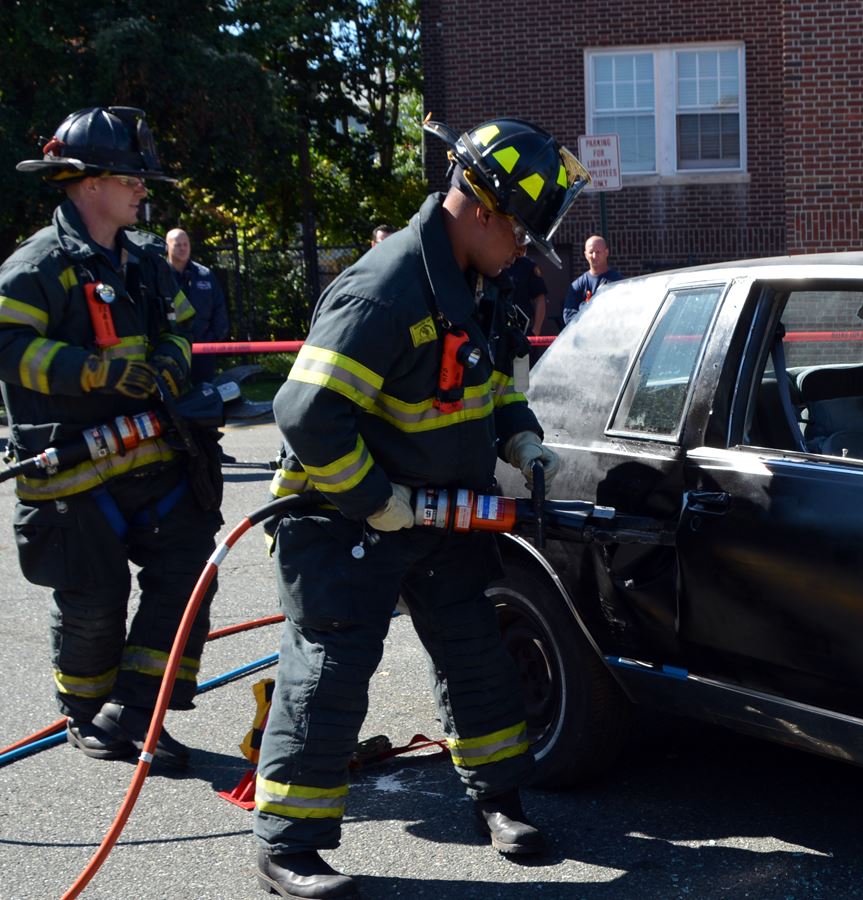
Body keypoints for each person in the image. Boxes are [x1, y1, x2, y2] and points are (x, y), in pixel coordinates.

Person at [253, 117, 589, 898]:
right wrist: (379, 501)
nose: (526, 253)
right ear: (481, 209)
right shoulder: (387, 286)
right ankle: (287, 847)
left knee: (475, 653)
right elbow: (306, 413)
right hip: (341, 517)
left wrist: (522, 441)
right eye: (521, 236)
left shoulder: (487, 284)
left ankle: (497, 802)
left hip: (438, 515)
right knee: (330, 672)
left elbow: (500, 385)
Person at [0, 107, 223, 771]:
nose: (143, 189)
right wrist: (94, 372)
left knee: (189, 576)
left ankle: (135, 709)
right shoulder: (37, 266)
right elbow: (6, 345)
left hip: (151, 462)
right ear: (88, 182)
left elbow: (182, 327)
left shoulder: (146, 264)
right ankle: (85, 714)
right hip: (71, 472)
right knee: (94, 601)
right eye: (133, 178)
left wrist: (173, 360)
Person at [165, 227, 229, 383]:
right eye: (177, 245)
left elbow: (219, 308)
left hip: (203, 348)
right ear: (167, 247)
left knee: (204, 393)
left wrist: (213, 339)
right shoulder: (160, 275)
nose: (182, 248)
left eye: (185, 244)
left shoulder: (205, 275)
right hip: (171, 349)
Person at [561, 234, 621, 325]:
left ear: (606, 252)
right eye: (591, 252)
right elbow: (569, 316)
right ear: (585, 255)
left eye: (598, 252)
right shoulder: (577, 285)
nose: (594, 256)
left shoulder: (618, 282)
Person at [505, 253, 547, 336]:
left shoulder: (527, 266)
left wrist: (536, 330)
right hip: (497, 329)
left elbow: (540, 299)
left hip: (523, 328)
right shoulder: (492, 264)